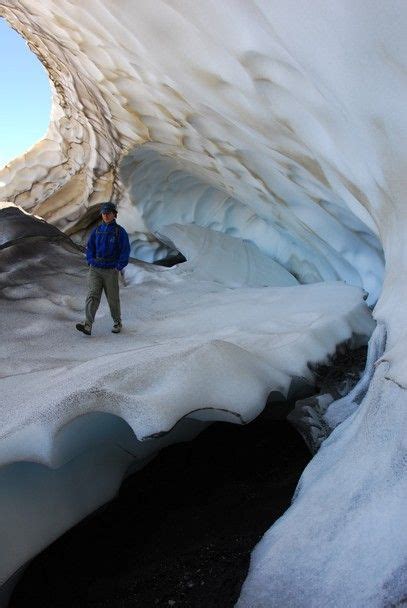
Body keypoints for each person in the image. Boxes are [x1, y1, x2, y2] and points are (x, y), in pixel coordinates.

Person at [76, 202, 130, 336]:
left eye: (108, 213)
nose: (105, 215)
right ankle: (87, 324)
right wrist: (90, 261)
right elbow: (90, 248)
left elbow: (125, 250)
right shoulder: (97, 231)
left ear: (114, 215)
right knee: (92, 295)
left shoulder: (119, 232)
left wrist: (119, 265)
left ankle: (117, 322)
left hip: (111, 269)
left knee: (112, 298)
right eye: (103, 213)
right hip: (95, 268)